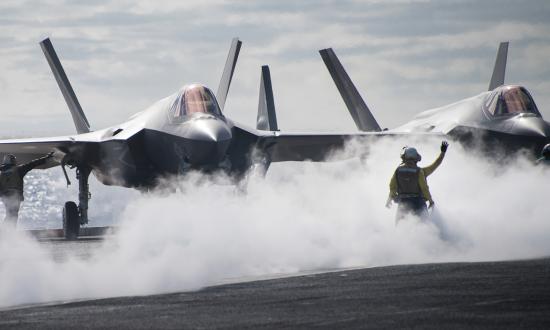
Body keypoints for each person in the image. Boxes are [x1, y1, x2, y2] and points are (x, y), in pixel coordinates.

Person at [386, 141, 448, 222]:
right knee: (425, 226)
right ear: (416, 158)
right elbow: (424, 187)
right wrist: (430, 201)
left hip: (403, 204)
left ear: (404, 157)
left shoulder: (398, 170)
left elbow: (392, 187)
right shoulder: (420, 171)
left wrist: (389, 199)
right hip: (418, 203)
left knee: (400, 227)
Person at [0, 152, 53, 226]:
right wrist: (45, 158)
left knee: (9, 214)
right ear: (14, 161)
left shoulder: (1, 172)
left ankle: (5, 232)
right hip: (15, 196)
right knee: (13, 215)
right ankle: (9, 232)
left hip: (5, 196)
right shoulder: (18, 169)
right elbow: (32, 164)